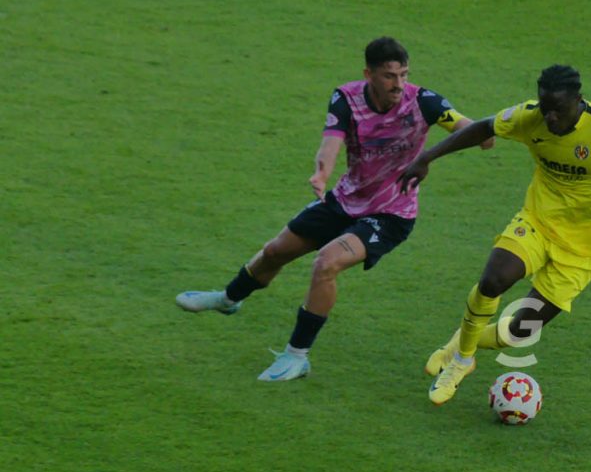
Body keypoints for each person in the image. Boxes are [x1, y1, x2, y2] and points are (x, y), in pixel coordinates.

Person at [176, 37, 492, 382]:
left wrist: (442, 150)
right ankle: (228, 298)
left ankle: (297, 357)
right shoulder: (346, 98)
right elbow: (331, 143)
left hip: (390, 214)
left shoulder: (424, 101)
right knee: (274, 252)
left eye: (404, 75)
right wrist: (322, 171)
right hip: (345, 200)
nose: (399, 85)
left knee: (326, 263)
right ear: (368, 74)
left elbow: (478, 134)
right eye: (389, 76)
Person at [398, 64, 591, 405]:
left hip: (583, 249)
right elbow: (483, 127)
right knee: (494, 280)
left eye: (559, 109)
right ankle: (462, 362)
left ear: (578, 101)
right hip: (538, 222)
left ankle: (462, 341)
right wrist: (427, 157)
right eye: (545, 108)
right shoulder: (530, 117)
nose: (550, 117)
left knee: (517, 333)